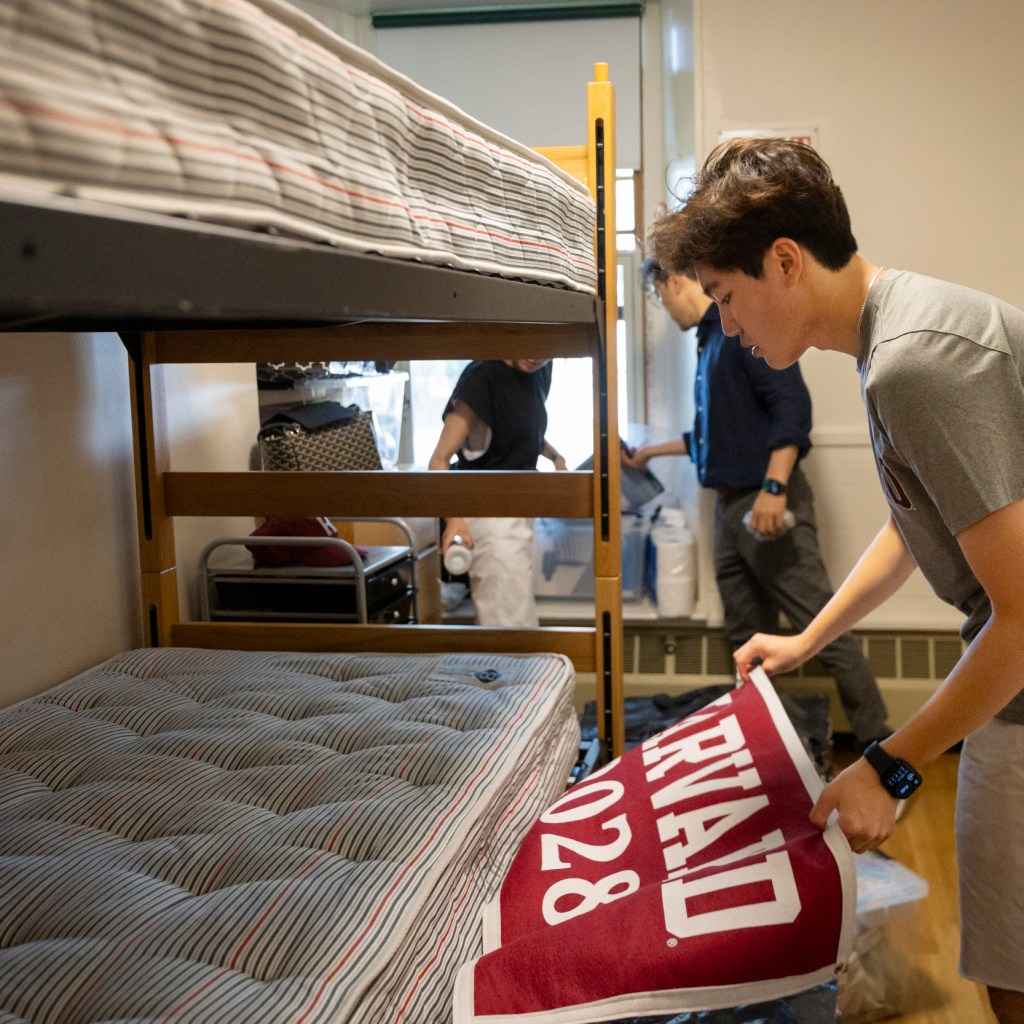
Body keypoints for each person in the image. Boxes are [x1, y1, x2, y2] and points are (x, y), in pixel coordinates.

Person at [645, 135, 1024, 1022]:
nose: (728, 326)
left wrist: (889, 767)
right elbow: (913, 519)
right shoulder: (890, 337)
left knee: (1011, 969)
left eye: (730, 300)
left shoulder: (916, 360)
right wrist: (809, 637)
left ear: (785, 262)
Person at [625, 258, 891, 748]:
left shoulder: (740, 330)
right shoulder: (709, 342)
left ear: (675, 280)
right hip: (730, 510)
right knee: (746, 634)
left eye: (660, 296)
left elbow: (792, 409)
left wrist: (774, 489)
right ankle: (768, 747)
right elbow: (714, 434)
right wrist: (651, 453)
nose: (663, 307)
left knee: (823, 627)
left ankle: (883, 747)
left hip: (765, 503)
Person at [428, 358, 566, 627]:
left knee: (517, 611)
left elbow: (519, 429)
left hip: (521, 508)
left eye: (546, 352)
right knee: (506, 621)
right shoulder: (483, 376)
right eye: (531, 346)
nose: (536, 357)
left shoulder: (539, 370)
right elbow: (438, 460)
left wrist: (555, 456)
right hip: (490, 516)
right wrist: (454, 520)